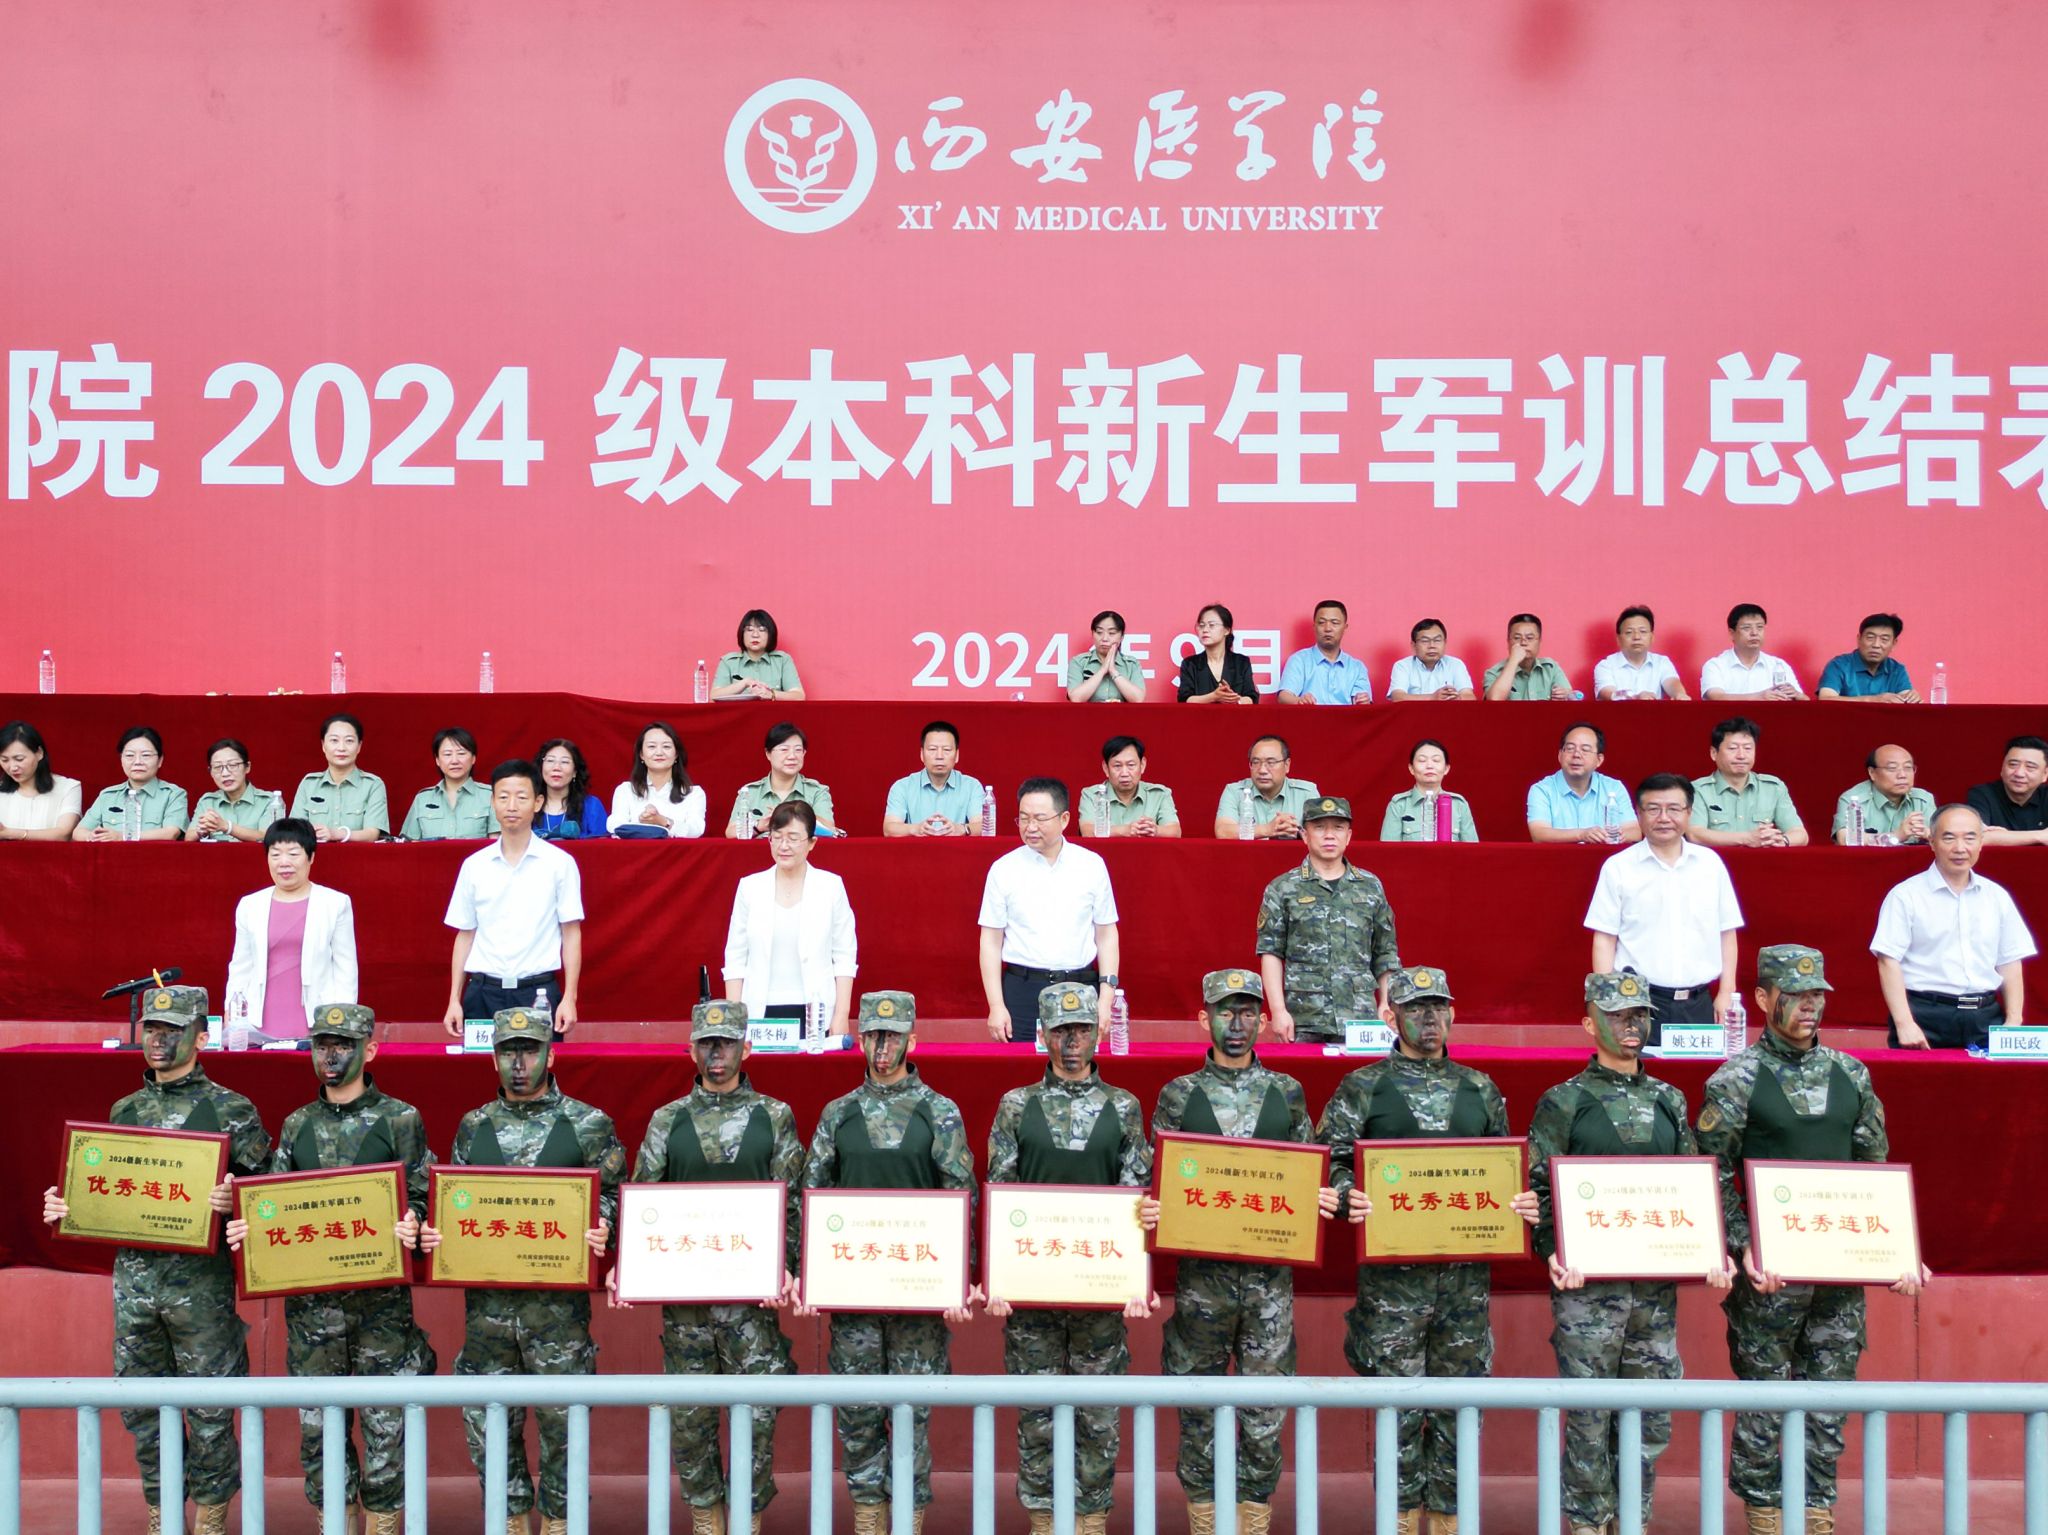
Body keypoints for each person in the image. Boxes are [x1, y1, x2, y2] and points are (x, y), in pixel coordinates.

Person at [1695, 946, 1929, 1535]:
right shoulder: (1736, 1079)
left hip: (1838, 1271)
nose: (1809, 1006)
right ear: (1763, 998)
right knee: (1765, 1399)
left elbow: (1874, 1171)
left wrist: (1900, 1249)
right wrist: (1744, 1244)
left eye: (1818, 995)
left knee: (1829, 1396)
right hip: (1770, 1276)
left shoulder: (1852, 1073)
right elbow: (1711, 1175)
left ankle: (1816, 1507)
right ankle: (1764, 1510)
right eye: (1795, 995)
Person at [40, 984, 271, 1535]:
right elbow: (107, 1191)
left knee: (211, 1410)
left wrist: (234, 1198)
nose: (158, 1040)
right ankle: (162, 1515)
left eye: (172, 1030)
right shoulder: (126, 1109)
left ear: (202, 1037)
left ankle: (210, 1519)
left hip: (202, 1290)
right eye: (151, 1029)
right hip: (136, 1287)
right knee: (141, 1408)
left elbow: (269, 1198)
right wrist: (67, 1205)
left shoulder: (232, 1109)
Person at [1318, 965, 1540, 1535]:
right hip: (1392, 1287)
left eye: (1438, 1006)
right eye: (1415, 1008)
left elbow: (1507, 1168)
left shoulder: (1480, 1087)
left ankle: (1449, 1524)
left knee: (1459, 1413)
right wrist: (1346, 1195)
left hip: (1464, 1285)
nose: (1429, 1018)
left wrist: (1521, 1202)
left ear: (1453, 1013)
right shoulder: (1363, 1086)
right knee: (1395, 1414)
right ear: (1390, 1016)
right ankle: (1395, 1522)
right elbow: (1329, 1162)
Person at [1526, 971, 1730, 1535]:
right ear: (1589, 1024)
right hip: (1587, 1292)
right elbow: (1538, 1189)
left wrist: (1712, 1248)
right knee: (1589, 1417)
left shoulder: (1669, 1098)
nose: (1632, 1026)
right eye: (1617, 1016)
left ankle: (1632, 1520)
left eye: (1639, 1015)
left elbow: (1694, 1183)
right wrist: (1551, 1250)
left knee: (1649, 1416)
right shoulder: (1564, 1101)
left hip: (1654, 1296)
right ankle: (1589, 1522)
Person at [1140, 969, 1340, 1535]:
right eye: (1225, 1012)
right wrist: (1153, 1206)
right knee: (1197, 1404)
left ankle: (1253, 1519)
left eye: (1248, 1012)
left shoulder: (1287, 1091)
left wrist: (1320, 1195)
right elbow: (1157, 1177)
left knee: (1263, 1411)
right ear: (1203, 1019)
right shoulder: (1179, 1094)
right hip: (1201, 1285)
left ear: (1263, 1020)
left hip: (1268, 1284)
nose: (1237, 1023)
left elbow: (1309, 1167)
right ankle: (1205, 1520)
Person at [222, 1004, 434, 1535]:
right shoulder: (298, 1124)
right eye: (321, 1045)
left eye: (343, 1045)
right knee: (320, 1431)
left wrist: (414, 1219)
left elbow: (423, 1193)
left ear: (370, 1050)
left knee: (387, 1428)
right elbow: (271, 1201)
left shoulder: (400, 1118)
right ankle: (334, 1524)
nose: (331, 1055)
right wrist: (247, 1225)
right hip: (312, 1314)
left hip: (381, 1309)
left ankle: (383, 1526)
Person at [426, 1006, 625, 1535]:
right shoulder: (474, 1126)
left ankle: (560, 1523)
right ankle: (509, 1522)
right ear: (493, 1058)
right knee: (489, 1427)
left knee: (565, 1427)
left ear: (550, 1055)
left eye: (530, 1051)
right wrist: (441, 1234)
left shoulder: (588, 1123)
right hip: (487, 1316)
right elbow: (454, 1202)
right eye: (508, 1052)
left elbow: (613, 1195)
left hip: (557, 1315)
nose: (519, 1063)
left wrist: (602, 1225)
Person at [797, 991, 978, 1535]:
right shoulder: (838, 1112)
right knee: (857, 1416)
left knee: (911, 1416)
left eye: (893, 1036)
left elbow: (961, 1196)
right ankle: (869, 1521)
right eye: (873, 1035)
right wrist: (808, 1275)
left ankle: (909, 1522)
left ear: (911, 1041)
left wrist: (960, 1280)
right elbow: (812, 1194)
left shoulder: (939, 1111)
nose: (882, 1046)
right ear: (860, 1041)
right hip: (853, 1294)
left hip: (918, 1296)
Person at [622, 1000, 804, 1535]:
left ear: (747, 1048)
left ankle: (746, 1522)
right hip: (688, 1309)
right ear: (691, 1051)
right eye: (707, 1044)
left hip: (753, 1307)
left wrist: (788, 1268)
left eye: (726, 1043)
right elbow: (644, 1199)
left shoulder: (774, 1114)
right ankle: (707, 1522)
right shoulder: (668, 1119)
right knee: (691, 1421)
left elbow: (792, 1201)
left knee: (758, 1419)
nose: (716, 1053)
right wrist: (631, 1264)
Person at [986, 982, 1156, 1535]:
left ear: (1098, 1032)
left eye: (1082, 1028)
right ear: (1042, 1035)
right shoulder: (1016, 1104)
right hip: (1032, 1290)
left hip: (1099, 1290)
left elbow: (1137, 1196)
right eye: (1061, 1030)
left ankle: (1090, 1522)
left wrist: (1137, 1277)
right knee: (1037, 1417)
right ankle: (1043, 1522)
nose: (1072, 1040)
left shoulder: (1123, 1106)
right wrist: (997, 1276)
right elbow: (999, 1193)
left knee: (1098, 1419)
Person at [1586, 773, 1744, 1038]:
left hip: (1699, 1003)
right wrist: (1607, 1003)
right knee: (1637, 1065)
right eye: (1653, 809)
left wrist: (1727, 991)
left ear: (1689, 813)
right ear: (1639, 815)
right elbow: (1604, 939)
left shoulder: (1710, 865)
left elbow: (1727, 932)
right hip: (1636, 1003)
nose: (1664, 818)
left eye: (1673, 809)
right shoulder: (1618, 867)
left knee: (1700, 1067)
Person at [1871, 804, 2036, 1049]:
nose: (1960, 848)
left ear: (1981, 843)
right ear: (1932, 842)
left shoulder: (1996, 896)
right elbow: (1888, 961)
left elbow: (2010, 960)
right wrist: (1904, 1023)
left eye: (1970, 838)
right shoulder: (1906, 895)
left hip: (1985, 1017)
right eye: (1949, 838)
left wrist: (2013, 1020)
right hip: (1925, 1017)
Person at [442, 760, 585, 1037]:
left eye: (521, 797)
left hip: (538, 994)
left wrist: (570, 997)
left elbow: (571, 933)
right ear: (492, 802)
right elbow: (465, 935)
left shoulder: (559, 863)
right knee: (482, 1065)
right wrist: (453, 1000)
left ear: (537, 802)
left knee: (537, 1065)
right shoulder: (474, 865)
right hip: (483, 993)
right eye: (503, 797)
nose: (511, 806)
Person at [978, 778, 1119, 1042]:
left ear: (1064, 819)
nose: (1030, 827)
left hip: (1080, 987)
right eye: (1023, 818)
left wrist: (1106, 998)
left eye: (1040, 819)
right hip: (1023, 989)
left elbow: (1107, 934)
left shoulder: (1091, 865)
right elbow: (990, 942)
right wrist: (996, 1005)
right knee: (1022, 1065)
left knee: (1078, 1064)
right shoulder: (1003, 869)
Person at [1256, 797, 1401, 1043]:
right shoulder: (1283, 888)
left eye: (1338, 828)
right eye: (1320, 827)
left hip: (1360, 1016)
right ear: (1304, 835)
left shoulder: (1370, 887)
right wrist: (1278, 1011)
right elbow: (1270, 952)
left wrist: (1386, 1004)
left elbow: (1386, 952)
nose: (1329, 835)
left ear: (1349, 836)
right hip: (1304, 1016)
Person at [723, 800, 858, 1035]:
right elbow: (735, 957)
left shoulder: (830, 886)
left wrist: (841, 1015)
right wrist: (735, 1020)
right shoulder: (750, 887)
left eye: (793, 838)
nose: (784, 846)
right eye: (777, 837)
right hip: (759, 1012)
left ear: (812, 843)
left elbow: (844, 955)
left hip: (816, 1012)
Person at [223, 819, 358, 1039]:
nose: (284, 863)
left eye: (294, 854)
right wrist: (232, 1010)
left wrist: (342, 1021)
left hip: (318, 1019)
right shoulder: (250, 905)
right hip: (258, 1019)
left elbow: (346, 969)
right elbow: (240, 966)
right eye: (275, 855)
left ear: (311, 857)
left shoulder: (335, 903)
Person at [1689, 717, 1808, 848]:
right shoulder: (1697, 789)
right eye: (1733, 748)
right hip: (1717, 860)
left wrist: (1782, 841)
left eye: (1748, 748)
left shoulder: (1773, 788)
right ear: (1713, 753)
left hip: (1762, 860)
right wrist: (1747, 839)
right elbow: (1695, 834)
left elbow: (1800, 834)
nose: (1741, 755)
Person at [1526, 723, 1637, 845]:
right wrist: (1582, 835)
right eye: (1570, 748)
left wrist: (1616, 836)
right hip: (1560, 857)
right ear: (1560, 755)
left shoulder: (1614, 788)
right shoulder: (1541, 790)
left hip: (1604, 857)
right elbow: (1539, 834)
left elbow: (1635, 832)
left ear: (1599, 760)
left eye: (1585, 750)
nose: (1576, 755)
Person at [74, 725, 188, 841]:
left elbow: (171, 833)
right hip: (112, 853)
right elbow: (78, 832)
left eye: (146, 755)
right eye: (129, 755)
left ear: (160, 760)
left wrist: (123, 837)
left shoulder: (173, 794)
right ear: (121, 759)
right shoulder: (107, 796)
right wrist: (92, 836)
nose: (137, 762)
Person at [289, 713, 390, 843]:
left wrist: (337, 834)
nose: (341, 748)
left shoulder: (373, 785)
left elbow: (372, 834)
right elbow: (295, 831)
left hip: (357, 855)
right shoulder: (309, 784)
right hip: (316, 854)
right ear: (323, 745)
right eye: (334, 740)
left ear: (359, 746)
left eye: (349, 741)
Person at [727, 721, 837, 837]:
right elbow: (730, 833)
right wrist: (759, 826)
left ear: (804, 753)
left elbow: (829, 830)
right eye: (784, 749)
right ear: (768, 754)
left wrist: (787, 816)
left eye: (798, 750)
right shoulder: (749, 792)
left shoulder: (817, 791)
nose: (792, 756)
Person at [882, 720, 987, 836]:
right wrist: (916, 829)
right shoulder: (902, 787)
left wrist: (962, 829)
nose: (939, 756)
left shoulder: (972, 786)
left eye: (946, 750)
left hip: (957, 848)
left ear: (957, 755)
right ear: (922, 754)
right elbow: (889, 829)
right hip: (917, 848)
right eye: (932, 749)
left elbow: (983, 826)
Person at [398, 726, 498, 841]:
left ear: (473, 758)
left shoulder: (490, 796)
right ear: (437, 760)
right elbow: (409, 843)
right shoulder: (422, 799)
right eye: (447, 754)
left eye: (461, 753)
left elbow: (497, 843)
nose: (454, 761)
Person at [609, 721, 706, 838]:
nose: (659, 752)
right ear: (641, 754)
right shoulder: (625, 790)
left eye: (666, 747)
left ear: (676, 754)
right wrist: (642, 822)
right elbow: (614, 825)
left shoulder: (693, 793)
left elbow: (696, 830)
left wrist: (664, 821)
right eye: (651, 746)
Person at [1213, 734, 1322, 839]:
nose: (1262, 770)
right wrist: (1267, 829)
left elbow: (1320, 834)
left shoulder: (1307, 793)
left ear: (1287, 765)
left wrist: (1296, 831)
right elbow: (1222, 832)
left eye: (1271, 762)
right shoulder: (1234, 792)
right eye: (1256, 762)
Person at [1076, 735, 1181, 838]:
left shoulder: (1159, 794)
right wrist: (1126, 830)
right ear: (1106, 768)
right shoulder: (1091, 795)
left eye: (1131, 765)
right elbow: (1087, 831)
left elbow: (1175, 831)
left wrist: (1155, 830)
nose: (1124, 773)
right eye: (1117, 766)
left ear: (1142, 765)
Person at [1833, 744, 1935, 845]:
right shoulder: (1854, 800)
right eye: (1892, 768)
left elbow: (1938, 837)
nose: (1902, 775)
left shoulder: (1924, 799)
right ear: (1872, 773)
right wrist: (1895, 836)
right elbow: (1844, 838)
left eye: (1908, 767)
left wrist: (1930, 834)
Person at [1380, 738, 1479, 842]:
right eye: (1422, 760)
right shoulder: (1399, 805)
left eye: (1436, 760)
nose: (1429, 766)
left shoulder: (1459, 805)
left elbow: (1472, 849)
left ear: (1446, 769)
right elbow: (1388, 849)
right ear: (1411, 768)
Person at [187, 737, 282, 844]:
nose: (225, 773)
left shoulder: (270, 801)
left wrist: (227, 827)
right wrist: (202, 831)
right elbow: (188, 838)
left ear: (247, 767)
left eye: (232, 765)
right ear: (210, 772)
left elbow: (270, 837)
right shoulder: (207, 802)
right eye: (218, 767)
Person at [1276, 598, 1372, 705]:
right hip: (1309, 715)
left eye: (1334, 623)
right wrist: (1299, 701)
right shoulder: (1299, 660)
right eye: (1321, 622)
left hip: (1346, 716)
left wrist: (1362, 700)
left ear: (1345, 628)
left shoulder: (1357, 667)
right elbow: (1284, 696)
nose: (1328, 629)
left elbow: (1362, 701)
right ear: (1314, 627)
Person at [1701, 604, 1805, 700]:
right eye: (1746, 628)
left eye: (1760, 627)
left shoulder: (1778, 665)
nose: (1754, 633)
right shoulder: (1715, 665)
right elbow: (1716, 697)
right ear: (1732, 633)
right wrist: (1760, 697)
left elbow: (1805, 701)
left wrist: (1797, 695)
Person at [0, 719, 82, 840]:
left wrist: (10, 833)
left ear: (39, 753)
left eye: (19, 759)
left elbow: (63, 834)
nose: (12, 767)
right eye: (4, 760)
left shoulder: (68, 787)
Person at [1817, 613, 1919, 702]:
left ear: (1894, 644)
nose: (1876, 645)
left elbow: (1905, 699)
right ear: (1859, 639)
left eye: (1884, 639)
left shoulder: (1897, 670)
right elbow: (1825, 698)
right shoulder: (1839, 665)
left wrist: (1912, 699)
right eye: (1870, 637)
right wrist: (1873, 699)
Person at [1593, 605, 1689, 700]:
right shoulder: (1606, 666)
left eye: (1643, 631)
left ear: (1652, 637)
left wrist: (1679, 694)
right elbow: (1608, 694)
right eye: (1629, 632)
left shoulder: (1662, 662)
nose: (1637, 637)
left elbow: (1672, 682)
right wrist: (1636, 698)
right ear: (1618, 639)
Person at [1966, 735, 2048, 846]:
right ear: (2002, 769)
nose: (2019, 773)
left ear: (2045, 774)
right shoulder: (1982, 794)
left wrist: (2002, 836)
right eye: (2013, 765)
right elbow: (1976, 837)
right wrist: (2040, 836)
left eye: (2030, 767)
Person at [1176, 601, 1260, 704]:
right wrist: (1213, 697)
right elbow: (1184, 699)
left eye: (1211, 625)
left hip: (1234, 715)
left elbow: (1251, 697)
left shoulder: (1241, 662)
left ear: (1227, 630)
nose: (1205, 630)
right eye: (1201, 625)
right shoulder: (1190, 664)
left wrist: (1234, 700)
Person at [713, 608, 805, 700]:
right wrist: (744, 683)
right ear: (742, 634)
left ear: (770, 634)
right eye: (749, 630)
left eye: (762, 630)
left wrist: (771, 694)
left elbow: (799, 696)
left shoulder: (782, 660)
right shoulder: (728, 662)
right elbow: (714, 696)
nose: (755, 635)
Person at [1482, 613, 1572, 701]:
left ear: (1539, 641)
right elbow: (1495, 700)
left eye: (1529, 638)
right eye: (1517, 638)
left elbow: (1570, 696)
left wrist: (1566, 695)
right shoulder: (1495, 673)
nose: (1523, 643)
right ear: (1508, 641)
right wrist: (1514, 661)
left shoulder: (1551, 669)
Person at [533, 738, 610, 840]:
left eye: (565, 762)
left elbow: (601, 846)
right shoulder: (528, 804)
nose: (556, 767)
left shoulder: (591, 806)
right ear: (541, 767)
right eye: (550, 760)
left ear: (574, 772)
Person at [1065, 609, 1147, 702]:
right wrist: (1103, 670)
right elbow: (1076, 698)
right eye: (1099, 632)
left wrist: (1113, 671)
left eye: (1112, 633)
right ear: (1092, 634)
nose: (1104, 638)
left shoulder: (1131, 664)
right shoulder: (1078, 662)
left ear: (1121, 637)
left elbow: (1138, 699)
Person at [1386, 618, 1477, 701]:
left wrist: (1458, 698)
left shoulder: (1456, 664)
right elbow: (1398, 697)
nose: (1432, 646)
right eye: (1425, 641)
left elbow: (1469, 696)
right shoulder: (1403, 666)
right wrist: (1432, 697)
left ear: (1445, 643)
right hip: (1415, 713)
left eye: (1437, 640)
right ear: (1413, 645)